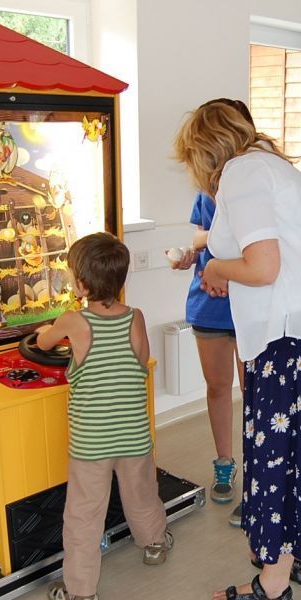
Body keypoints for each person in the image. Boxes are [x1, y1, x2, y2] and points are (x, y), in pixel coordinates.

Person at [174, 101, 301, 600]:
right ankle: (284, 562)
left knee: (273, 459)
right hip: (290, 332)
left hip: (282, 341)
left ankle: (271, 585)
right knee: (290, 460)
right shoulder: (270, 166)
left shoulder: (242, 173)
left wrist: (215, 268)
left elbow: (263, 267)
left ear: (205, 149)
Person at [36, 232, 171, 600]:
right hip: (134, 436)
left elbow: (43, 343)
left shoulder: (72, 321)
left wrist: (47, 331)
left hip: (92, 443)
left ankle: (80, 590)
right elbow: (141, 363)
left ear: (81, 284)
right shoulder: (135, 318)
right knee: (142, 493)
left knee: (84, 513)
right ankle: (155, 543)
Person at [170, 99, 253, 527]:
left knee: (256, 394)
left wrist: (213, 251)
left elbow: (252, 248)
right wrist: (192, 254)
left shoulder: (255, 186)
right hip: (208, 302)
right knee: (218, 388)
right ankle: (225, 463)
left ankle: (259, 479)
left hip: (249, 302)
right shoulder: (206, 189)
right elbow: (202, 236)